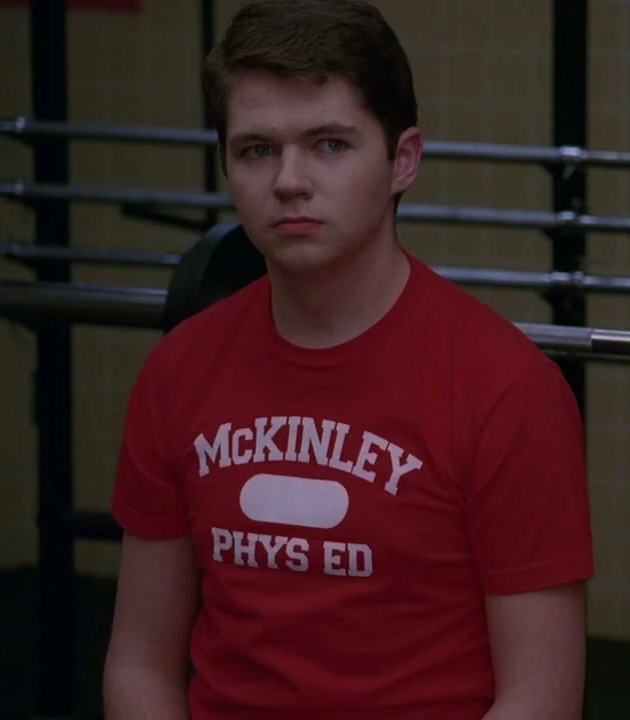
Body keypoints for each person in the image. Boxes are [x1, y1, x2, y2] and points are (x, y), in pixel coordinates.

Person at [100, 1, 595, 718]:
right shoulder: (179, 371)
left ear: (403, 160)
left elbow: (541, 699)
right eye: (257, 150)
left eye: (329, 144)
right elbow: (140, 665)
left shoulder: (507, 390)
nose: (289, 180)